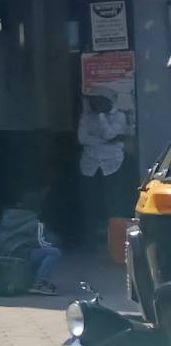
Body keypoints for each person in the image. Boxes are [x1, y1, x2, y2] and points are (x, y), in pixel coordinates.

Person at [77, 92, 130, 243]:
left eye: (98, 101)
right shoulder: (86, 117)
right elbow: (82, 139)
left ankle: (115, 238)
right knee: (91, 201)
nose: (94, 105)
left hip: (113, 164)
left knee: (114, 201)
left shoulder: (119, 116)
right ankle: (92, 238)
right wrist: (107, 141)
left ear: (107, 101)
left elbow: (109, 134)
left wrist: (101, 116)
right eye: (92, 102)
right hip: (90, 165)